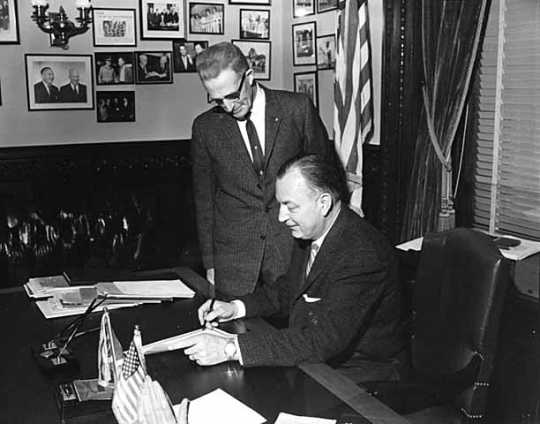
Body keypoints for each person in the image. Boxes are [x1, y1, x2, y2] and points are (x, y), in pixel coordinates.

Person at [174, 154, 407, 384]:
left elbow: (323, 340)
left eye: (290, 206)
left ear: (323, 203)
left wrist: (229, 348)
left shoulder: (363, 253)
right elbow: (287, 291)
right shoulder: (311, 232)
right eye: (280, 204)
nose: (281, 216)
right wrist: (235, 308)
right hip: (316, 361)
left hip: (362, 378)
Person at [191, 42, 334, 297]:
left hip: (292, 252)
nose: (226, 106)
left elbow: (324, 178)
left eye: (232, 95)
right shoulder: (205, 128)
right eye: (216, 99)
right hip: (234, 262)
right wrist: (211, 263)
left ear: (249, 76)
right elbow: (204, 201)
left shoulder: (296, 109)